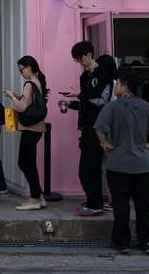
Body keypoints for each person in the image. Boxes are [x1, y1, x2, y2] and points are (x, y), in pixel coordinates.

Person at [94, 72, 149, 253]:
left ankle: (123, 242)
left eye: (117, 84)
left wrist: (105, 145)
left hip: (118, 163)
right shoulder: (147, 107)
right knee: (144, 204)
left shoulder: (111, 107)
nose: (114, 87)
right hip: (143, 164)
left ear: (124, 87)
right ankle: (147, 242)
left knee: (121, 205)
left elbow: (99, 129)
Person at [63, 41, 115, 216]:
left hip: (98, 128)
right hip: (86, 127)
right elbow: (87, 103)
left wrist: (80, 95)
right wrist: (71, 104)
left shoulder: (103, 73)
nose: (80, 62)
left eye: (80, 58)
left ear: (89, 54)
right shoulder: (85, 77)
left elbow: (102, 101)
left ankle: (96, 204)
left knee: (89, 168)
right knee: (88, 168)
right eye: (77, 60)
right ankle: (95, 200)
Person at [2, 56, 50, 210]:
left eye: (21, 69)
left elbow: (22, 108)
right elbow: (29, 104)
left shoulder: (29, 84)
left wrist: (10, 97)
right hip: (37, 128)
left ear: (29, 68)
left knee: (24, 162)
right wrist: (18, 97)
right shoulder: (38, 82)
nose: (21, 72)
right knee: (29, 163)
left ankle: (35, 198)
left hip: (30, 129)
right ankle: (39, 196)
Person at [96, 54, 119, 211]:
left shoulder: (110, 84)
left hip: (108, 128)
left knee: (106, 164)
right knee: (106, 163)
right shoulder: (117, 83)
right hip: (113, 128)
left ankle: (110, 197)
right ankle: (108, 196)